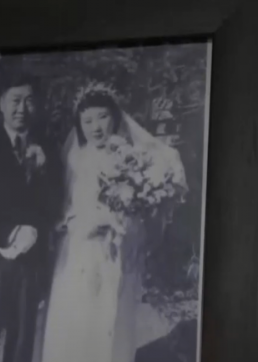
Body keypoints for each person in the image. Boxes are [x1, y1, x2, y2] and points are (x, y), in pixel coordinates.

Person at [37, 83, 188, 362]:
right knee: (80, 317)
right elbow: (65, 207)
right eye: (87, 121)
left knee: (114, 315)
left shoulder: (131, 155)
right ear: (79, 124)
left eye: (102, 117)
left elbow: (166, 166)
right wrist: (81, 223)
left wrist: (132, 213)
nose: (95, 127)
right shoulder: (74, 159)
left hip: (117, 246)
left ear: (115, 117)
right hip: (81, 248)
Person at [0, 74, 63, 362]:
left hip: (31, 260)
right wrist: (9, 232)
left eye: (29, 101)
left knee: (22, 341)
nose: (22, 109)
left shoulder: (48, 148)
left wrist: (43, 171)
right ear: (1, 104)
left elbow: (55, 205)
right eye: (15, 101)